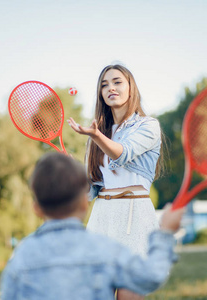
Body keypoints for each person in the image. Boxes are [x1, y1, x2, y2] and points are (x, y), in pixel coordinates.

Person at [0, 153, 185, 300]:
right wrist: (165, 232)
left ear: (36, 209)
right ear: (84, 204)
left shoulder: (22, 255)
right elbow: (150, 276)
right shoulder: (104, 249)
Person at [68, 64, 164, 299]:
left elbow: (122, 153)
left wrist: (95, 136)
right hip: (102, 216)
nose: (110, 87)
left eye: (117, 82)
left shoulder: (148, 126)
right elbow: (90, 190)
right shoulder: (97, 133)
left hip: (134, 215)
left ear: (131, 88)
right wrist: (73, 171)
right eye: (104, 85)